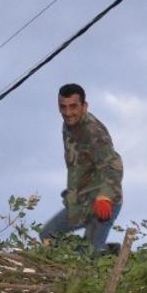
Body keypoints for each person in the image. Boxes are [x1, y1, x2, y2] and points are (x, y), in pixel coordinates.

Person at [41, 83, 124, 254]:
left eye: (73, 107)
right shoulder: (68, 127)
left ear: (84, 106)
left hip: (103, 203)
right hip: (82, 201)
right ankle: (103, 252)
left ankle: (108, 254)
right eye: (63, 107)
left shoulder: (93, 131)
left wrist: (105, 196)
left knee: (89, 255)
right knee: (48, 235)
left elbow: (113, 165)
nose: (68, 113)